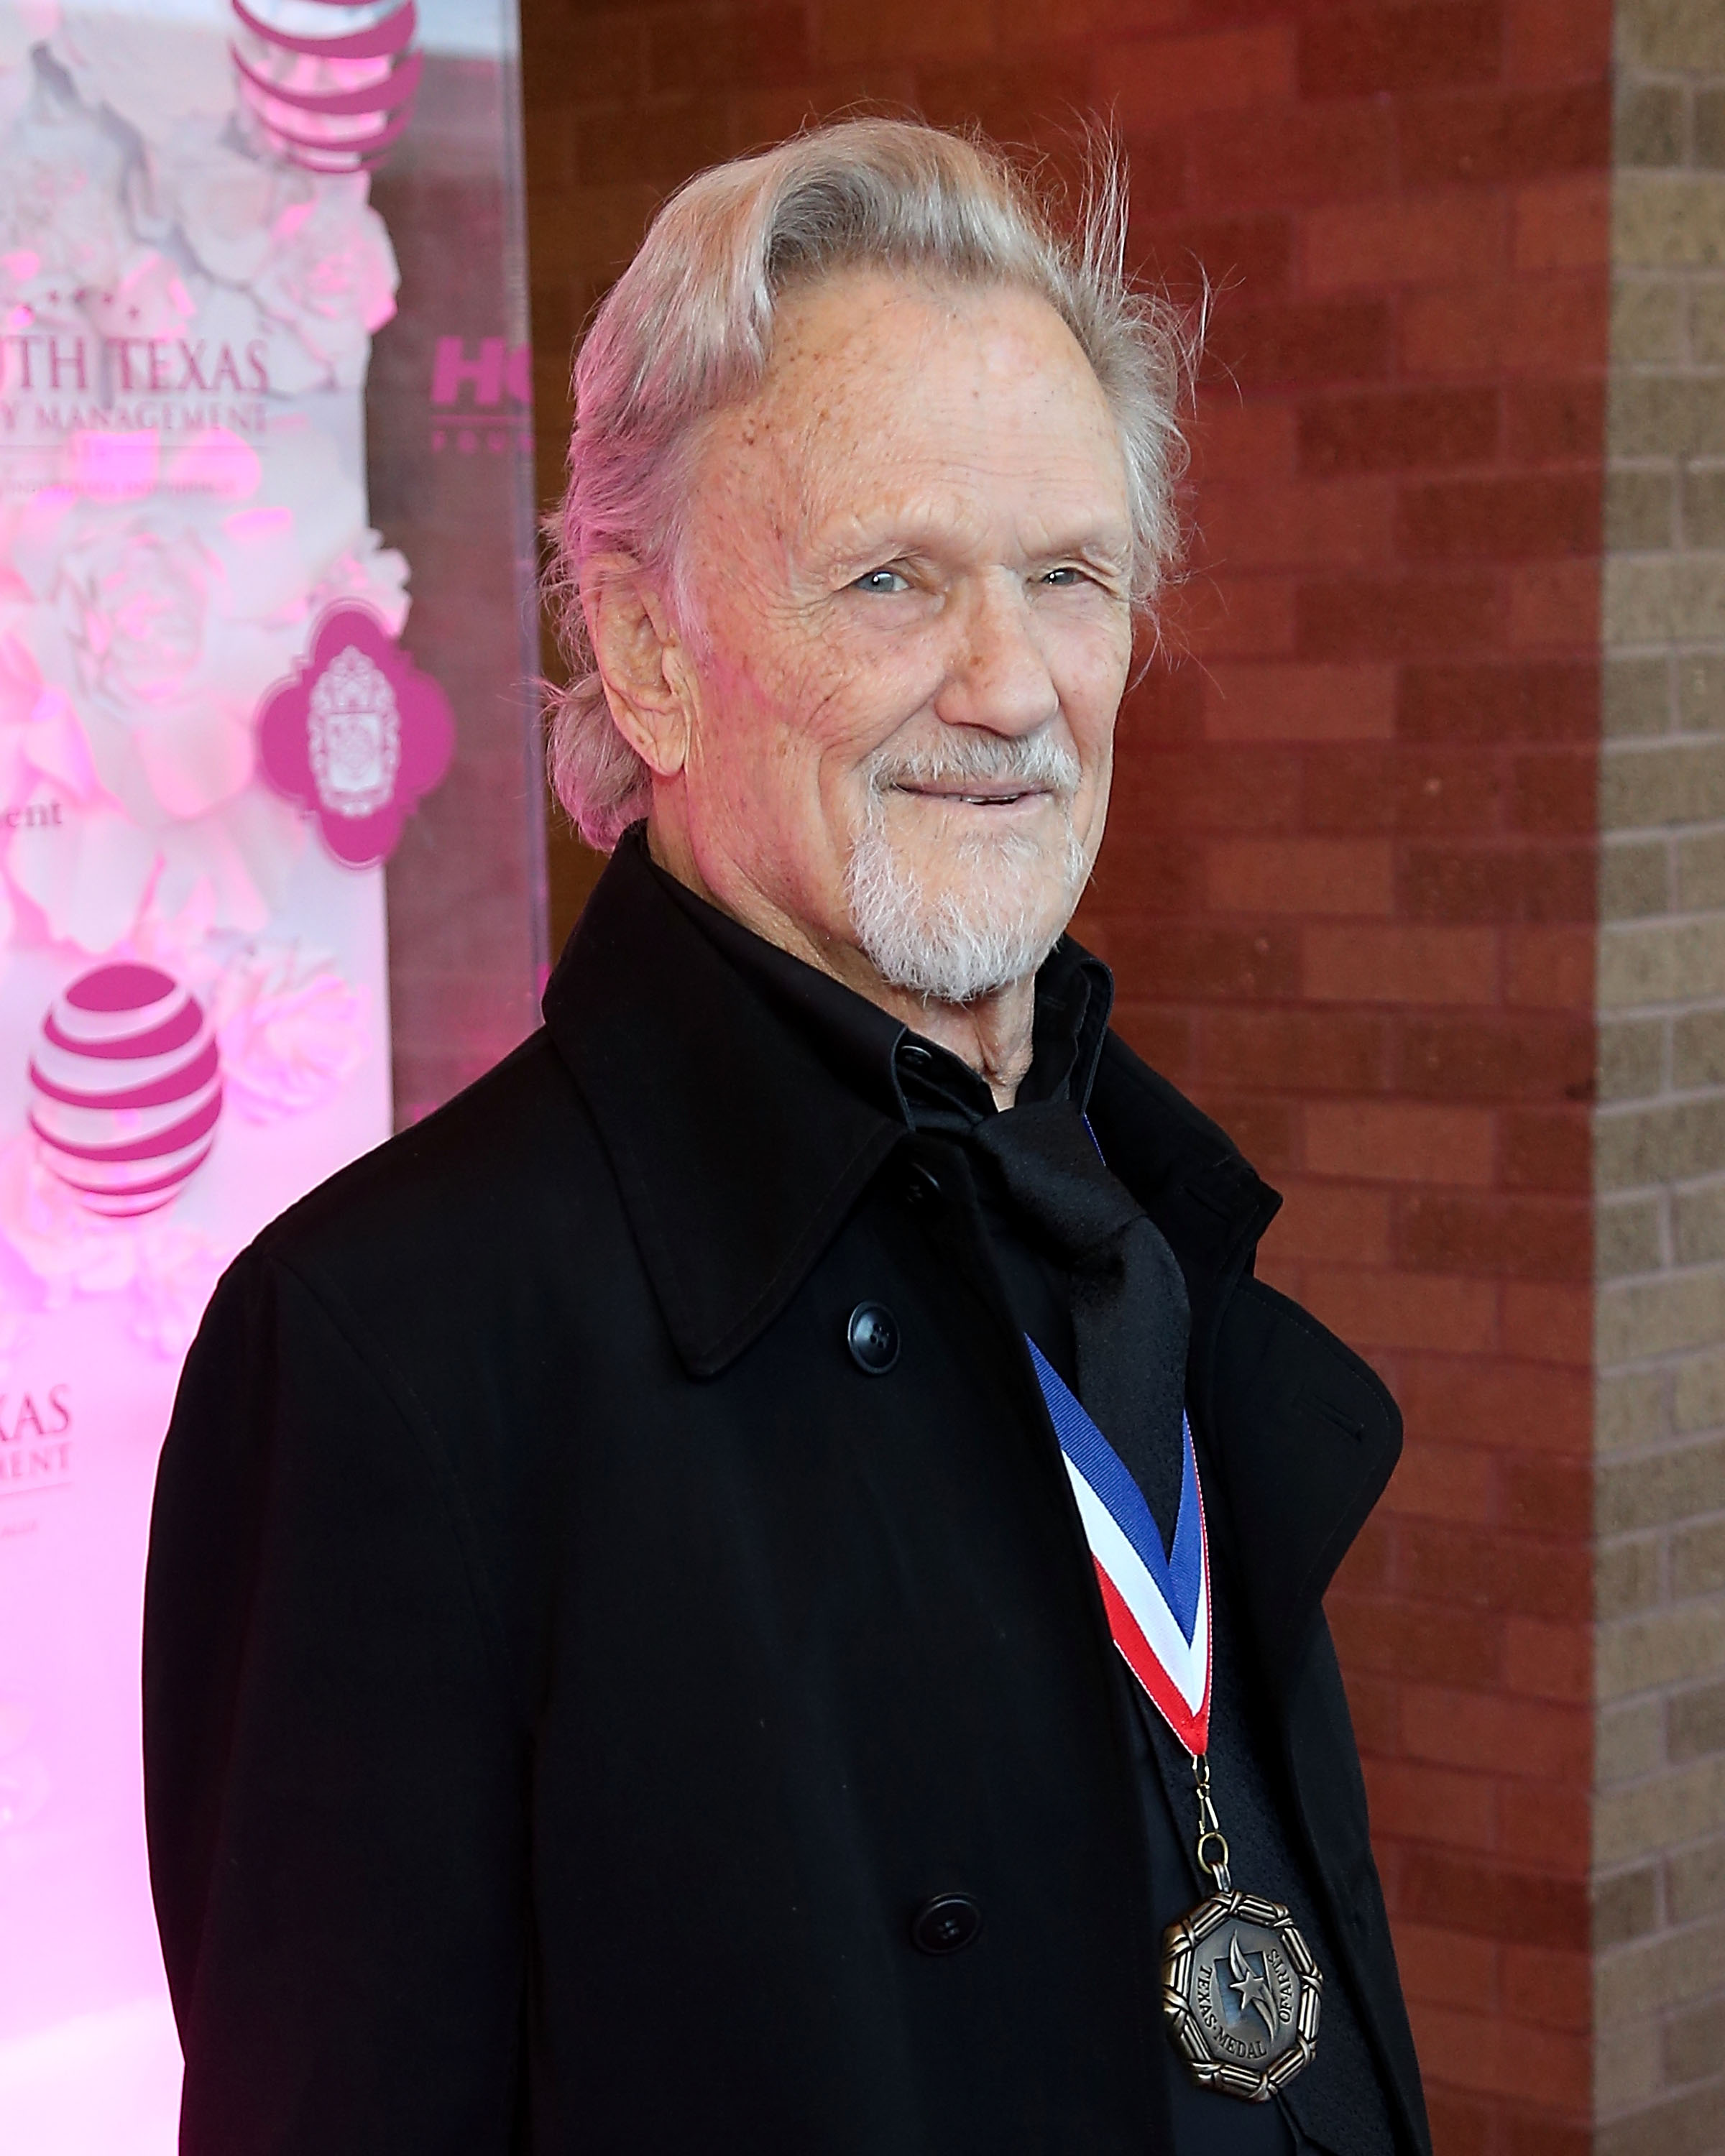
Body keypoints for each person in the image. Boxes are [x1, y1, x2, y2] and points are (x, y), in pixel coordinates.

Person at [143, 121, 1431, 2156]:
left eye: (1070, 578)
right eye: (893, 579)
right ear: (648, 647)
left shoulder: (1150, 1233)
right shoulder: (391, 1350)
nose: (1011, 688)